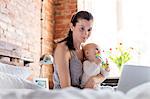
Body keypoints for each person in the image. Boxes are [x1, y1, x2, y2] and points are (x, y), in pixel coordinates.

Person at [53, 11, 108, 89]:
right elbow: (66, 89)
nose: (86, 33)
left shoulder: (86, 49)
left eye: (89, 30)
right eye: (82, 28)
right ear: (72, 27)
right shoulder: (63, 48)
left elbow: (102, 74)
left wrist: (93, 80)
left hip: (84, 94)